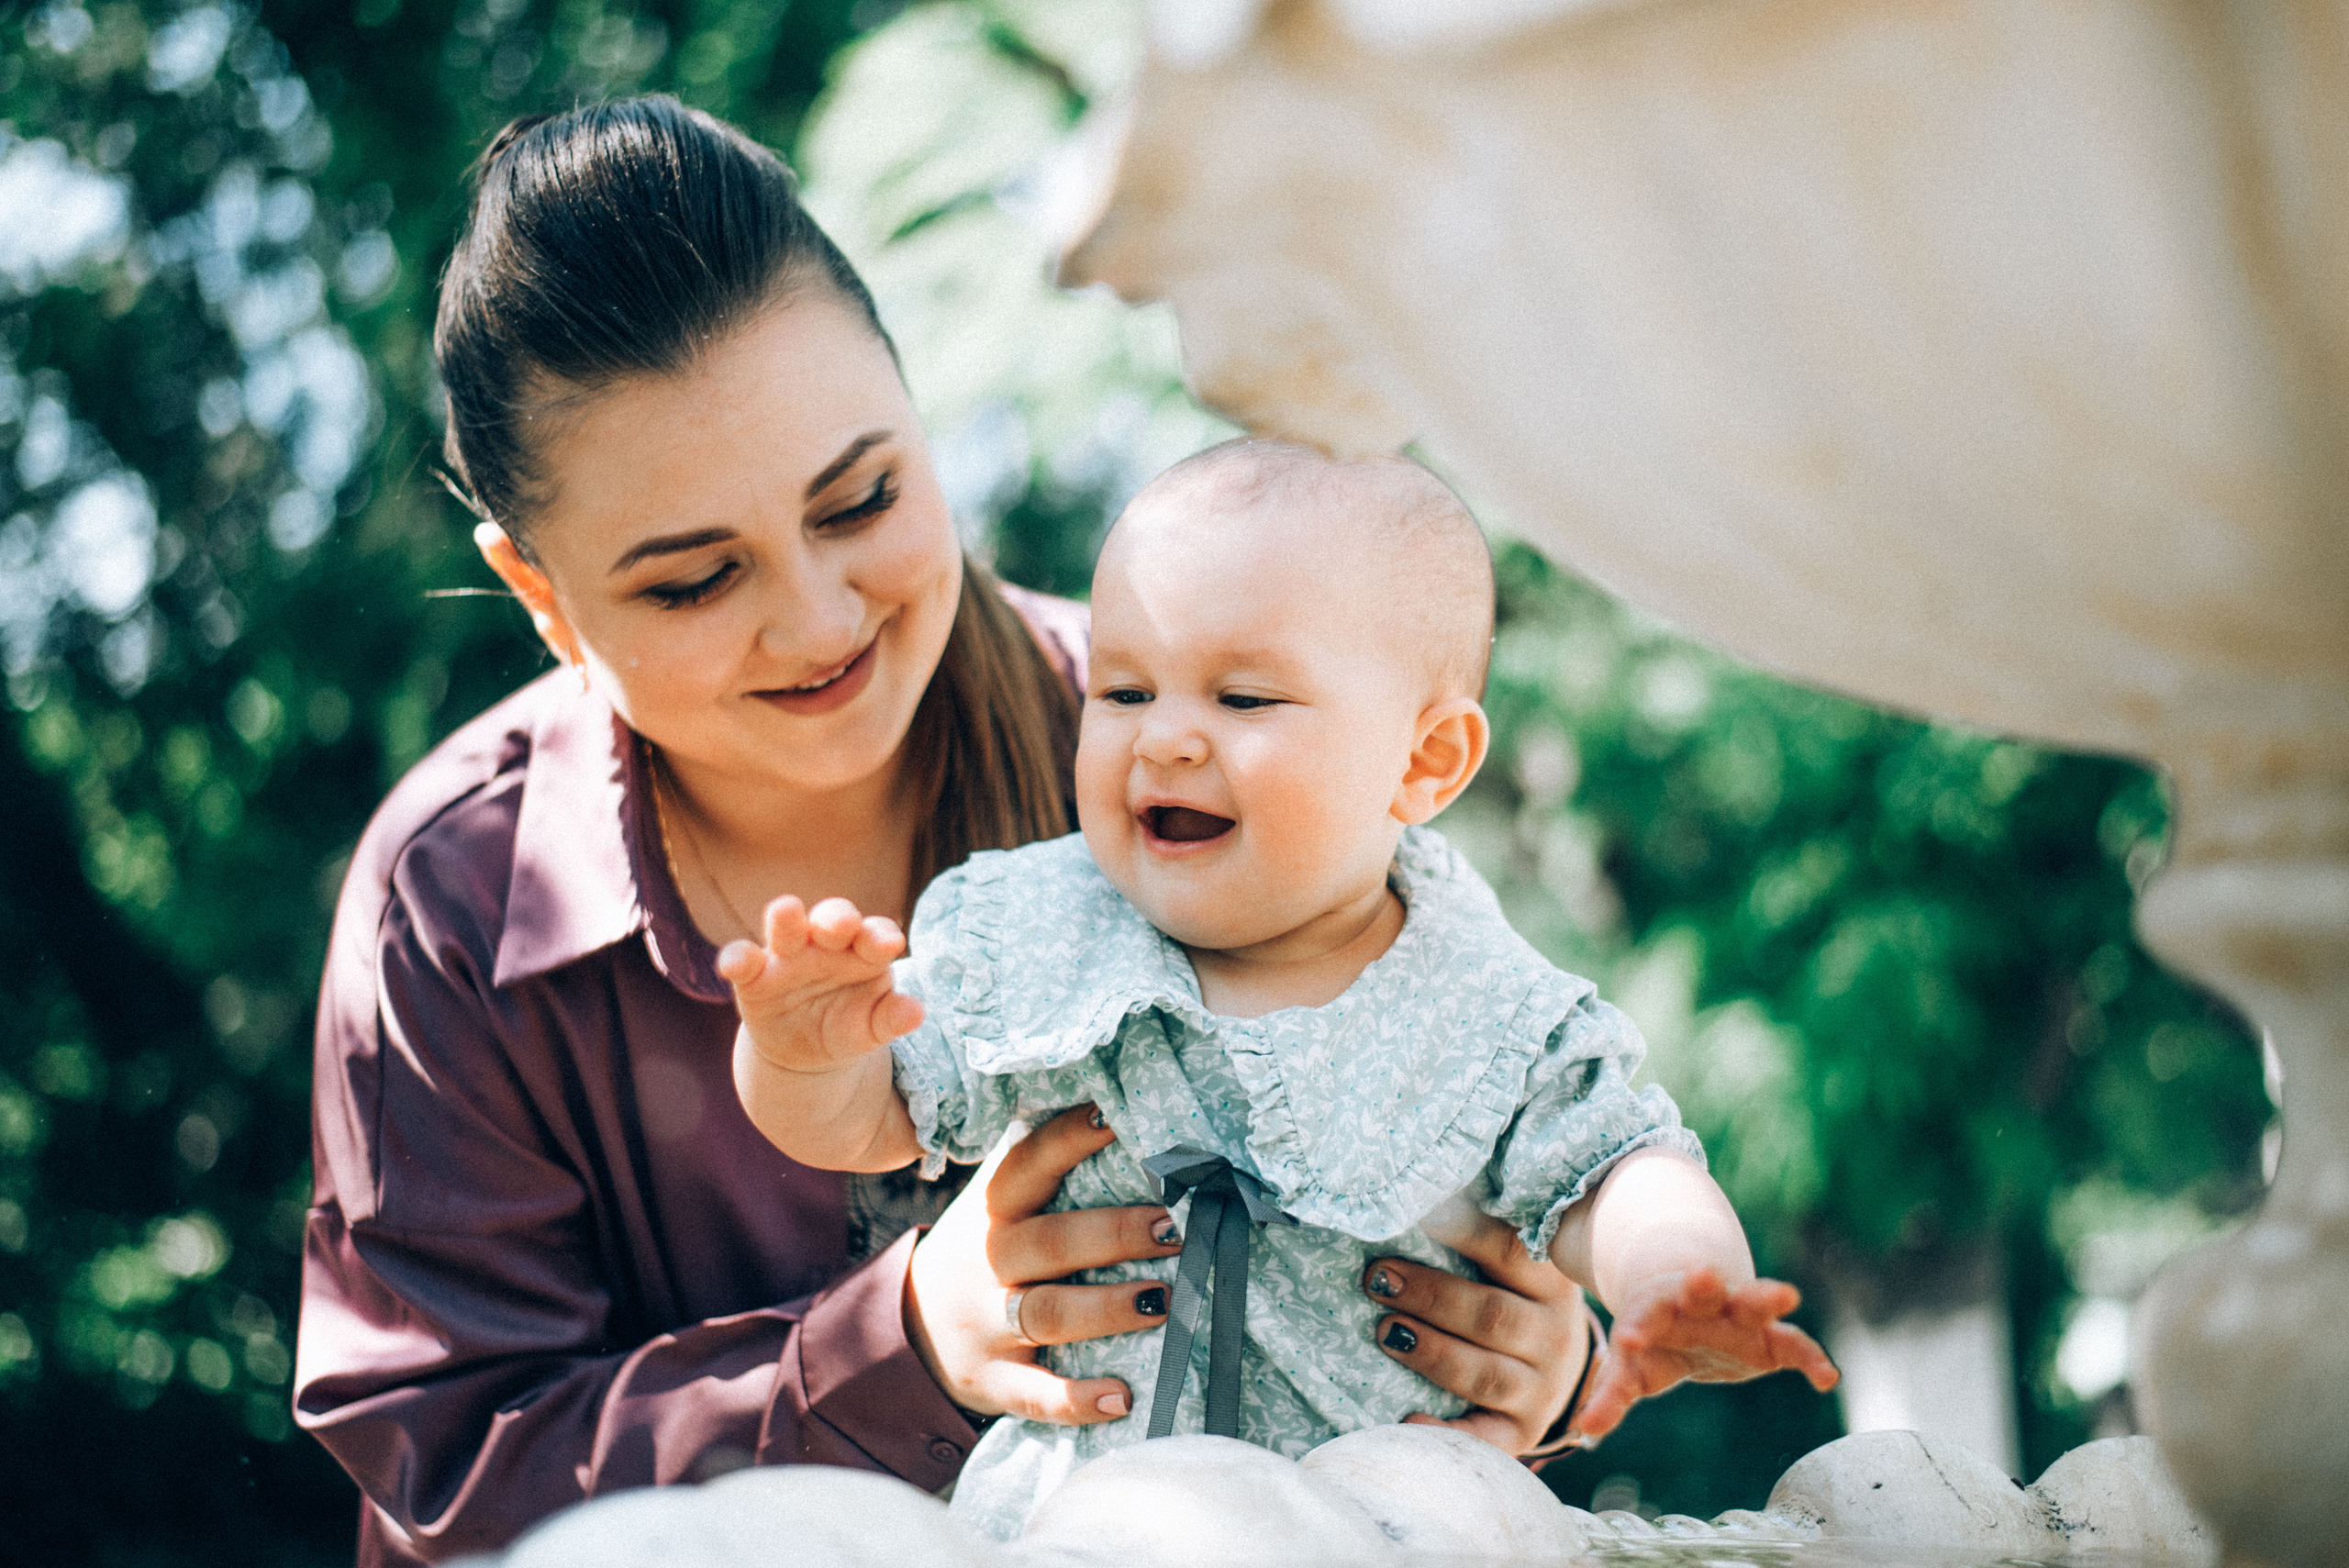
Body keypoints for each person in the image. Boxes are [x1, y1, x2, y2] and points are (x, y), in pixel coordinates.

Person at [295, 98, 1602, 1567]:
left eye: (861, 498)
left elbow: (1493, 1111)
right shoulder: (457, 905)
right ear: (543, 599)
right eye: (690, 582)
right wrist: (892, 1341)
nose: (820, 618)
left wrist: (1536, 1365)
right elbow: (454, 1478)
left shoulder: (1193, 753)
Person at [726, 440, 1842, 1538]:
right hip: (1079, 1526)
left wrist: (1680, 1278)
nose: (1163, 736)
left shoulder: (1480, 1006)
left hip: (1382, 1528)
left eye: (1245, 697)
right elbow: (872, 1121)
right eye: (1121, 689)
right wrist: (805, 1052)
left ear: (1425, 762)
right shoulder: (1043, 939)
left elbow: (1617, 1168)